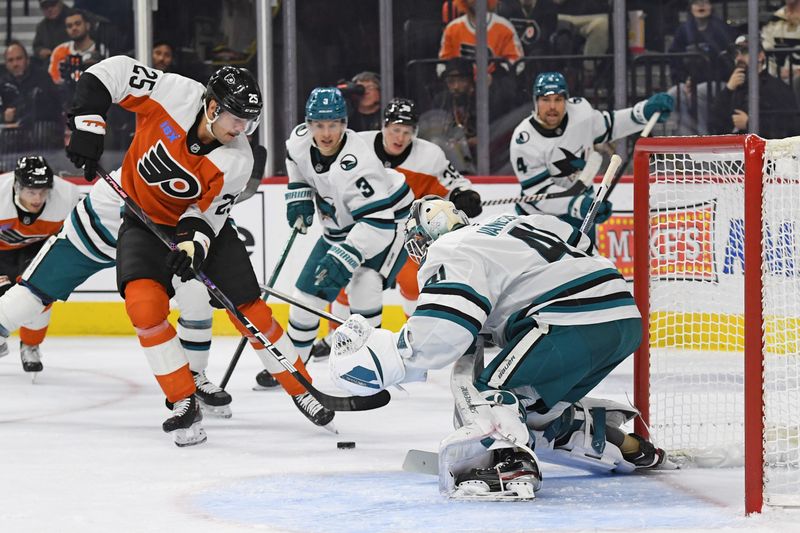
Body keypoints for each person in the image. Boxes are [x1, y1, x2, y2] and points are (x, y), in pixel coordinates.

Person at [61, 56, 333, 445]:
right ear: (211, 107)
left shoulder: (237, 159)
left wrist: (192, 245)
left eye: (249, 122)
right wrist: (89, 122)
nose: (242, 129)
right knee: (143, 305)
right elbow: (113, 71)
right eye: (236, 119)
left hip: (203, 231)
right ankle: (182, 400)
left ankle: (301, 388)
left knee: (248, 307)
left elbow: (205, 215)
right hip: (143, 220)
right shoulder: (172, 93)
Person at [329, 197, 669, 500]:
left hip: (567, 318)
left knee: (490, 393)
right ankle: (625, 446)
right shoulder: (516, 223)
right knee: (532, 407)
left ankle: (509, 465)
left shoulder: (450, 248)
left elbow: (443, 330)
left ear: (427, 235)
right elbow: (577, 241)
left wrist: (393, 354)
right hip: (623, 319)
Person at [256, 87, 413, 389]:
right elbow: (294, 161)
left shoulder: (358, 165)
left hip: (388, 223)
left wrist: (347, 255)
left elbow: (378, 226)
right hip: (338, 228)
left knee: (364, 284)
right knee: (305, 299)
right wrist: (299, 195)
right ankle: (294, 367)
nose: (326, 134)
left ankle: (370, 364)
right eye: (319, 125)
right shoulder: (300, 139)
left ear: (344, 124)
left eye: (333, 125)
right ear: (309, 124)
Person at [306, 97, 482, 361]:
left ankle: (418, 337)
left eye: (407, 131)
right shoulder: (358, 144)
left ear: (415, 133)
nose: (400, 137)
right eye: (395, 129)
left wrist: (464, 195)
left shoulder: (430, 156)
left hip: (407, 235)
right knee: (344, 280)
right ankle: (339, 337)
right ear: (383, 126)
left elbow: (455, 183)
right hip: (365, 229)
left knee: (413, 283)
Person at [509, 71, 673, 240]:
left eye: (558, 99)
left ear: (566, 100)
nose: (552, 106)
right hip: (537, 222)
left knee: (585, 265)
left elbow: (612, 125)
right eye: (545, 100)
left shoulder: (581, 114)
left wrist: (643, 112)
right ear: (536, 102)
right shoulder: (524, 141)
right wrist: (580, 204)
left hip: (580, 214)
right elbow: (540, 194)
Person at [0, 156, 79, 372]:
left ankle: (31, 345)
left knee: (39, 297)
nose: (38, 198)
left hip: (40, 250)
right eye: (31, 192)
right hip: (1, 252)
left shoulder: (68, 196)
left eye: (43, 191)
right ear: (17, 186)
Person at [665, 0, 736, 135]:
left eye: (705, 2)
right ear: (691, 8)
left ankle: (704, 136)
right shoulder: (683, 31)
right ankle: (686, 135)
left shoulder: (721, 29)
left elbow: (727, 62)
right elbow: (675, 60)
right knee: (674, 93)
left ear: (711, 6)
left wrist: (700, 80)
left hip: (719, 82)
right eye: (697, 2)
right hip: (690, 83)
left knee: (700, 92)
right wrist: (684, 81)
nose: (701, 6)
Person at [709, 35, 800, 139]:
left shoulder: (777, 88)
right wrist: (728, 90)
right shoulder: (733, 87)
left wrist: (749, 123)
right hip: (731, 150)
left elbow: (789, 127)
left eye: (744, 52)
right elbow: (713, 124)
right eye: (735, 54)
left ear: (760, 56)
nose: (738, 58)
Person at [439, 0, 523, 77]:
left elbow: (517, 63)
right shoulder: (452, 29)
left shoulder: (505, 27)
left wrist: (496, 76)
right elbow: (442, 66)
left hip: (497, 88)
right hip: (461, 88)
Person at [1, 41, 62, 126]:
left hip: (42, 131)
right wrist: (4, 116)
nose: (15, 64)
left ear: (27, 60)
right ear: (6, 64)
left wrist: (22, 121)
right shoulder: (2, 83)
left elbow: (53, 107)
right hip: (11, 134)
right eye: (10, 60)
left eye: (19, 58)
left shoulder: (42, 77)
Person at [48, 9, 109, 86]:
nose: (74, 28)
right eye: (69, 26)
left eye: (78, 23)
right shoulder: (59, 50)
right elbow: (53, 81)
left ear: (87, 25)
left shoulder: (101, 49)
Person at [762, 0, 800, 104]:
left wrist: (797, 71)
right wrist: (775, 72)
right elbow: (766, 51)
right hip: (779, 76)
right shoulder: (774, 20)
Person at [32, 0, 74, 65]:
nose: (50, 9)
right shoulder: (42, 27)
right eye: (45, 7)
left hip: (74, 61)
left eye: (52, 4)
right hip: (50, 64)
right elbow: (36, 46)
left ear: (60, 3)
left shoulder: (76, 18)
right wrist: (40, 51)